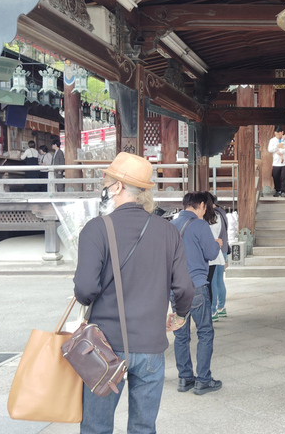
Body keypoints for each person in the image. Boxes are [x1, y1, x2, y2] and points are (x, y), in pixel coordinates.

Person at [73, 152, 194, 433]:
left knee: (96, 428)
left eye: (107, 179)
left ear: (117, 187)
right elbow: (185, 287)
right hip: (151, 345)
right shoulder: (168, 231)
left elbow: (85, 289)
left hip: (103, 349)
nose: (104, 184)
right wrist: (180, 315)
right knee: (143, 427)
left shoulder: (96, 229)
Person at [170, 192, 224, 395]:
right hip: (197, 287)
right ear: (201, 205)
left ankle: (184, 379)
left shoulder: (171, 225)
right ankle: (203, 380)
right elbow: (211, 254)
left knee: (181, 335)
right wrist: (217, 243)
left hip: (175, 289)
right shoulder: (200, 225)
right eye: (205, 207)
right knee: (205, 332)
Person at [205, 193, 229, 320]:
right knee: (220, 279)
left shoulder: (211, 215)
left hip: (215, 250)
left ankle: (213, 309)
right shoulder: (222, 213)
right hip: (223, 249)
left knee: (213, 281)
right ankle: (221, 307)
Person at [268, 127, 285, 197]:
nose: (278, 136)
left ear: (282, 132)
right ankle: (277, 190)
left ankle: (284, 191)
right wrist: (277, 147)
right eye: (276, 134)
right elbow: (270, 149)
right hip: (276, 162)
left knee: (284, 177)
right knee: (275, 176)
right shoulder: (272, 140)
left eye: (279, 134)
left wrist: (281, 151)